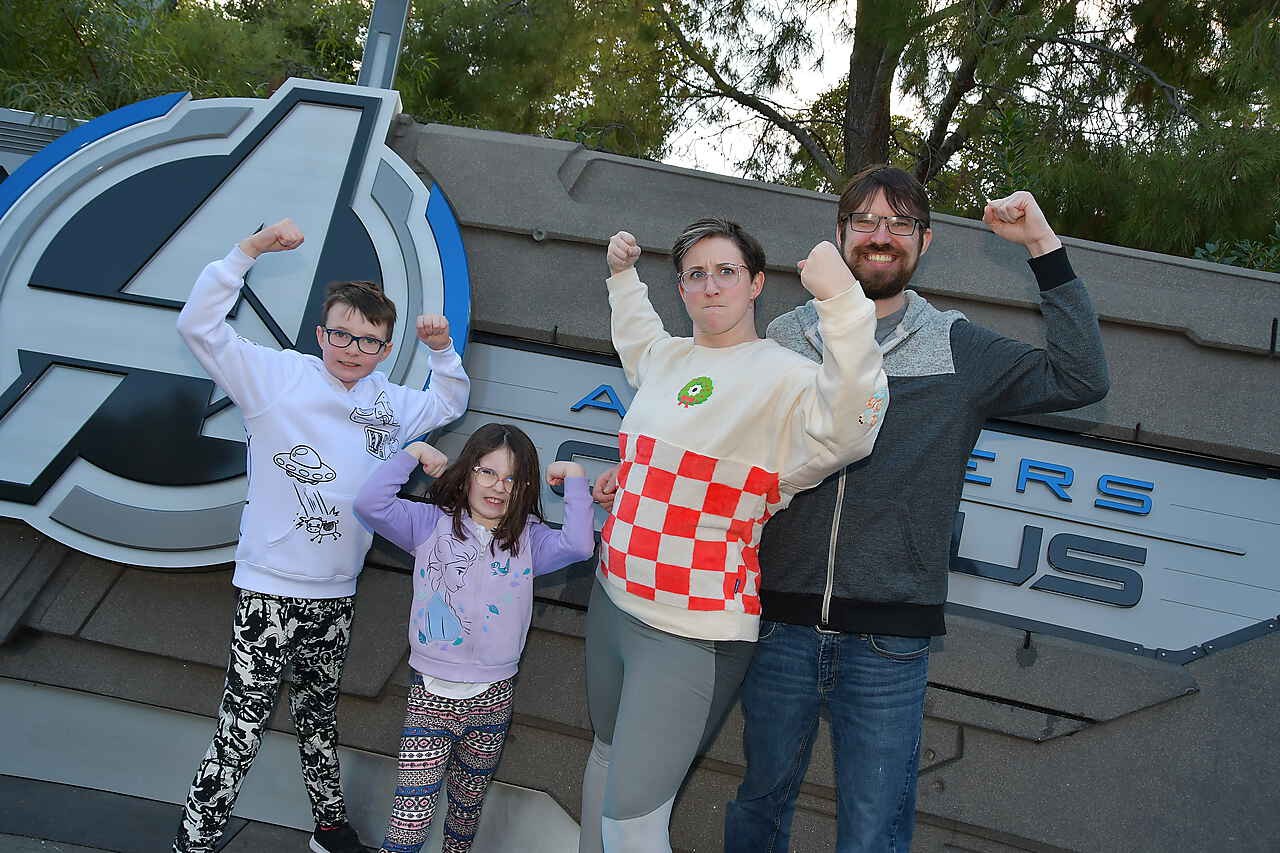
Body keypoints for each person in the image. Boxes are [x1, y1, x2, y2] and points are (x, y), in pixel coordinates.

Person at [721, 166, 1111, 852]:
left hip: (889, 641)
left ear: (924, 241)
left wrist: (1041, 244)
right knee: (759, 807)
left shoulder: (956, 346)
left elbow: (1081, 377)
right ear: (839, 234)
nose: (881, 236)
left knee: (874, 831)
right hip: (778, 623)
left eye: (900, 224)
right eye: (866, 221)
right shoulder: (787, 336)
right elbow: (725, 445)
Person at [578, 218, 889, 852]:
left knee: (631, 826)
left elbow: (852, 424)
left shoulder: (788, 379)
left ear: (755, 284)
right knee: (604, 763)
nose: (711, 285)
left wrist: (842, 302)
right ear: (682, 289)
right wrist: (622, 278)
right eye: (695, 274)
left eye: (726, 271)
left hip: (691, 631)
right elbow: (638, 342)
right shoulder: (669, 359)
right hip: (611, 601)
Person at [172, 219, 470, 853]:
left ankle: (330, 831)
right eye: (341, 334)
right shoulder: (276, 377)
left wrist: (443, 350)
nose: (352, 349)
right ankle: (193, 843)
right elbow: (198, 326)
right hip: (269, 591)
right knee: (240, 730)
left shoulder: (391, 402)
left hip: (335, 592)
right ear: (320, 333)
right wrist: (248, 250)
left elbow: (449, 401)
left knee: (317, 716)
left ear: (386, 348)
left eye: (368, 341)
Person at [353, 423, 595, 853]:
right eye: (488, 472)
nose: (499, 487)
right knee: (410, 820)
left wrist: (576, 480)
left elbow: (579, 545)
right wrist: (413, 454)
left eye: (513, 479)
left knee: (466, 811)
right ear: (467, 472)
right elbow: (369, 503)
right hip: (432, 696)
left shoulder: (530, 540)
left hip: (494, 697)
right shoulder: (429, 524)